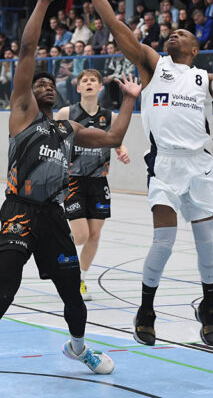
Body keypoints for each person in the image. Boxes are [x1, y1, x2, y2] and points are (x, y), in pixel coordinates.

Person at [0, 0, 141, 398]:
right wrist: (44, 0)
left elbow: (112, 137)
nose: (47, 86)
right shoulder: (22, 114)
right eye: (41, 84)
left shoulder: (68, 130)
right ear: (29, 93)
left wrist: (128, 100)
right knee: (4, 293)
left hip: (54, 214)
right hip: (20, 209)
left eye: (52, 84)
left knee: (73, 295)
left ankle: (78, 348)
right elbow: (29, 48)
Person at [72, 0, 213, 348]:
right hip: (164, 165)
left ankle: (209, 308)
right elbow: (115, 26)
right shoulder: (153, 64)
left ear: (195, 48)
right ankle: (146, 309)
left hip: (199, 166)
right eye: (173, 30)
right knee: (163, 242)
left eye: (182, 32)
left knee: (204, 244)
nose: (175, 32)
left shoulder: (202, 78)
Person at [56, 69, 130, 301]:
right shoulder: (66, 113)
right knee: (80, 236)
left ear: (100, 87)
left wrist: (122, 150)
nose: (88, 83)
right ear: (78, 88)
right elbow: (53, 140)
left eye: (93, 81)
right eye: (84, 81)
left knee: (94, 235)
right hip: (73, 180)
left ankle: (80, 280)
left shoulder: (111, 117)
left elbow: (117, 141)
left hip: (99, 180)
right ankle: (55, 252)